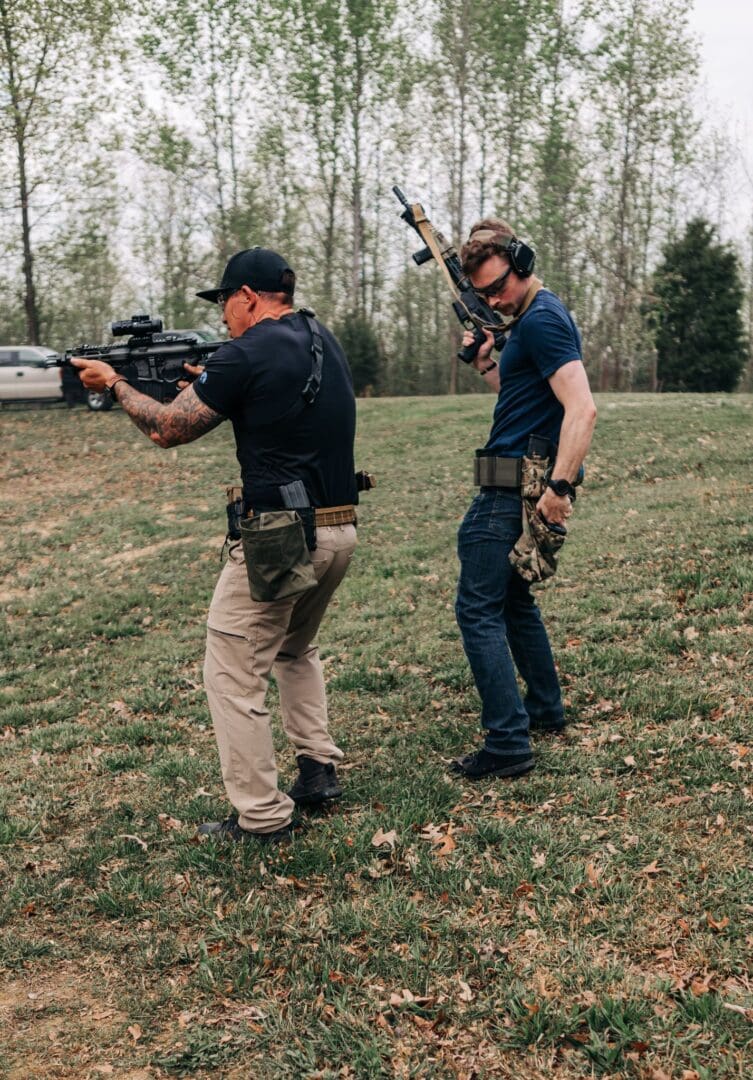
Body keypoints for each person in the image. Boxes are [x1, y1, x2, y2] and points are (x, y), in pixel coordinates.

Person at [73, 247, 358, 843]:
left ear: (248, 296)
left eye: (225, 302)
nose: (223, 316)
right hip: (339, 527)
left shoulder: (245, 350)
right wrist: (207, 383)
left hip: (280, 537)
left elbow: (167, 428)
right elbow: (273, 404)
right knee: (293, 650)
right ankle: (318, 770)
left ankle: (261, 816)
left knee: (232, 675)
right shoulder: (319, 337)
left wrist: (115, 382)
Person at [450, 219, 596, 781]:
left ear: (524, 263)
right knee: (512, 603)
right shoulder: (528, 322)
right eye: (483, 295)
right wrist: (488, 359)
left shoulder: (543, 321)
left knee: (477, 608)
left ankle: (507, 743)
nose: (493, 300)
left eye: (498, 287)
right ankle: (544, 710)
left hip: (511, 486)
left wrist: (559, 488)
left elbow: (582, 408)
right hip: (508, 475)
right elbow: (521, 394)